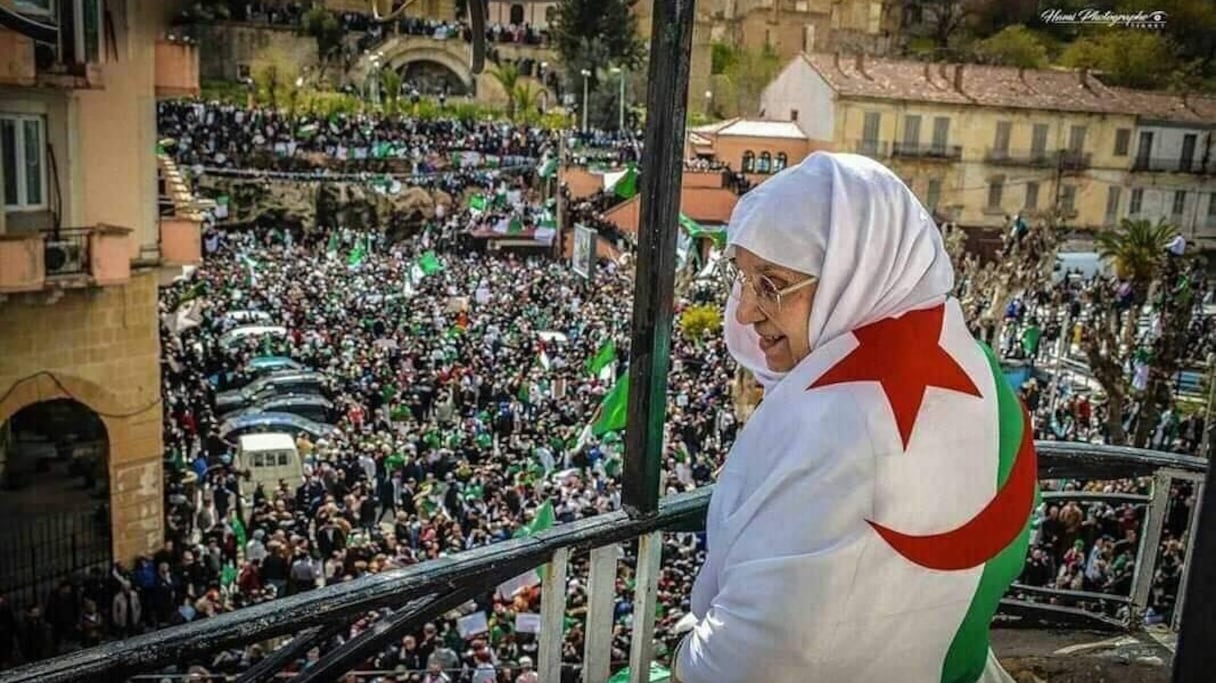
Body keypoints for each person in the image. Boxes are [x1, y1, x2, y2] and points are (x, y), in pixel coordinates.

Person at [671, 153, 1036, 682]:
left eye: (771, 282)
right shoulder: (979, 368)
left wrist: (686, 655)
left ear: (854, 269)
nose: (745, 310)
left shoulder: (834, 426)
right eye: (742, 277)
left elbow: (761, 654)